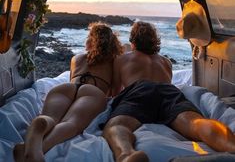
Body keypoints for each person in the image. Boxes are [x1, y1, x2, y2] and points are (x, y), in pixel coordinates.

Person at [102, 21, 235, 162]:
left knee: (117, 126)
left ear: (133, 41)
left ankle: (127, 155)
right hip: (168, 90)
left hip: (141, 89)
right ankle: (231, 146)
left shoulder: (123, 58)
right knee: (196, 123)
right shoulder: (166, 62)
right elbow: (163, 89)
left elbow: (114, 92)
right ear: (155, 41)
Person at [13, 22, 123, 162]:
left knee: (50, 118)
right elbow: (115, 91)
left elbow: (73, 79)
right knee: (71, 123)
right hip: (92, 91)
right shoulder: (114, 61)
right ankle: (40, 149)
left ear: (91, 40)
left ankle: (38, 126)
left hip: (65, 88)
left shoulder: (76, 58)